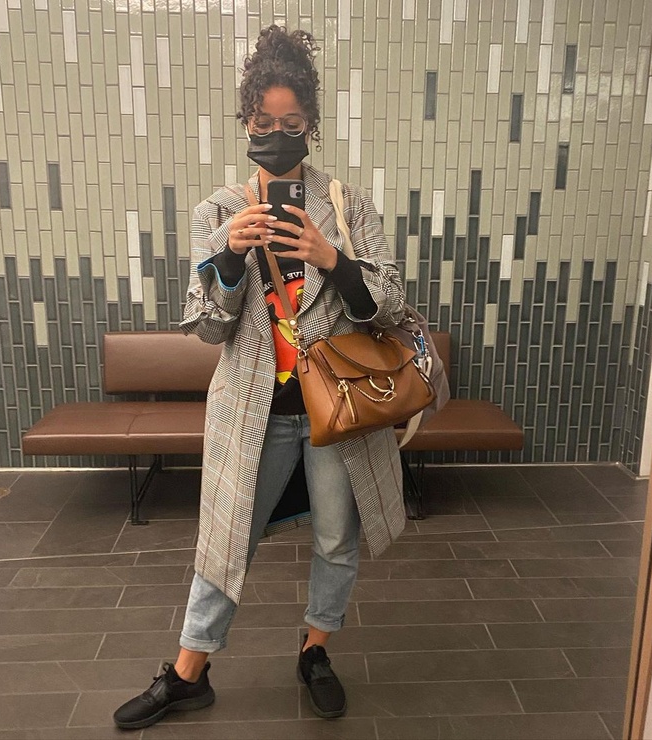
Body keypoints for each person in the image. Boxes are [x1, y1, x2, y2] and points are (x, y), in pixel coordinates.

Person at [113, 25, 407, 730]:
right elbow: (207, 327)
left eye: (292, 124)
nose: (277, 136)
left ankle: (315, 650)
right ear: (246, 122)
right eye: (263, 124)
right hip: (254, 412)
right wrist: (228, 260)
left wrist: (332, 259)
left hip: (336, 409)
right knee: (227, 541)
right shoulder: (220, 211)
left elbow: (391, 302)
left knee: (336, 537)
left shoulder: (346, 206)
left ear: (312, 124)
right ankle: (188, 673)